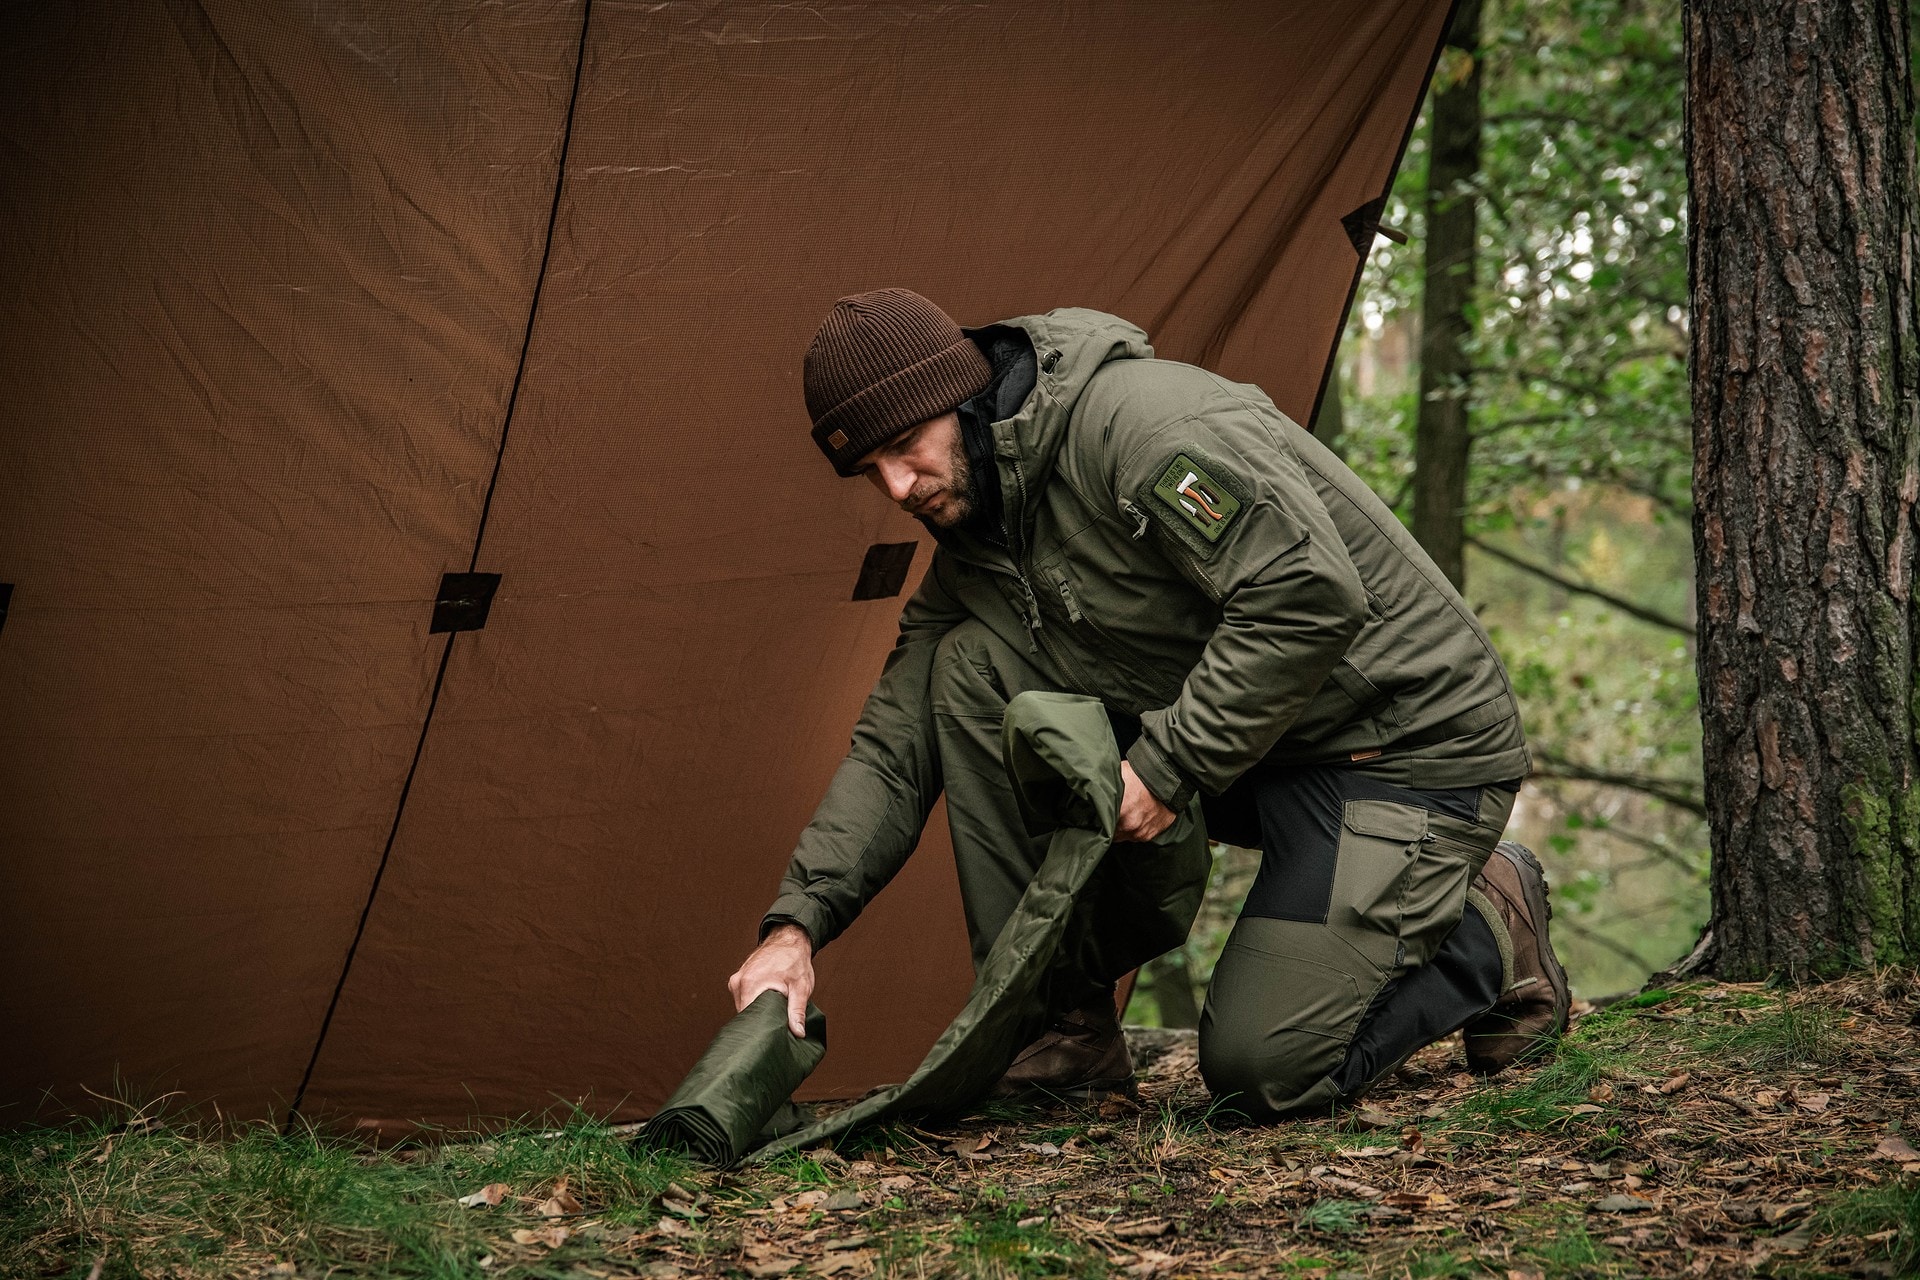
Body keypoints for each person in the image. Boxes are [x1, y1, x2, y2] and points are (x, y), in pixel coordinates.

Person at [726, 289, 1568, 1119]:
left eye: (906, 447)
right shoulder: (984, 539)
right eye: (870, 471)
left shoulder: (1144, 427)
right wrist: (796, 926)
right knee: (968, 666)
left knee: (1264, 1069)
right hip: (1266, 752)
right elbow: (893, 746)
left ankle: (1487, 921)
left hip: (1406, 748)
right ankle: (1060, 1031)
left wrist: (1166, 768)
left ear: (965, 398)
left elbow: (1305, 596)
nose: (898, 486)